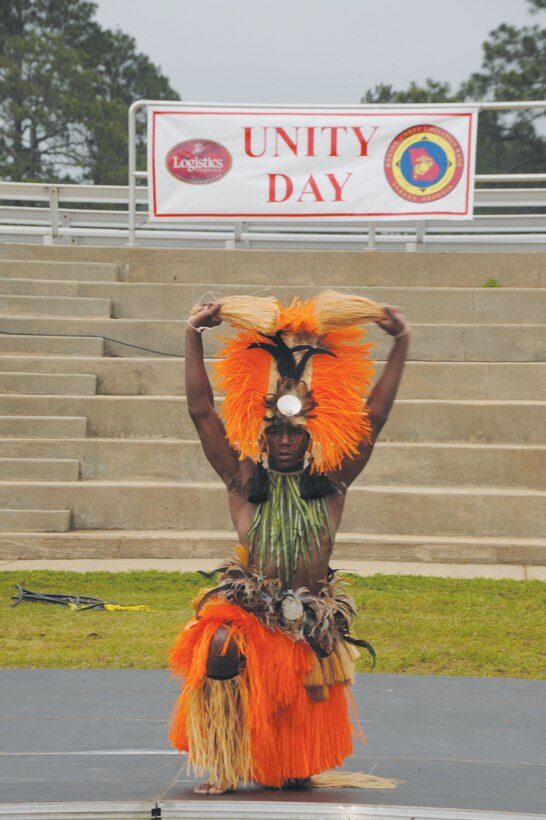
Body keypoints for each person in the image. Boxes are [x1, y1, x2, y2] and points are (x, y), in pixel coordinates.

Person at [168, 294, 410, 795]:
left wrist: (402, 342)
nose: (283, 440)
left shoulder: (332, 484)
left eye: (294, 433)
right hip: (251, 613)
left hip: (311, 615)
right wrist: (192, 333)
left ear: (310, 438)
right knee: (219, 646)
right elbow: (200, 411)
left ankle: (295, 760)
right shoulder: (242, 483)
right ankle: (226, 762)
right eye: (274, 430)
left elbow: (376, 416)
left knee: (296, 755)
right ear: (261, 436)